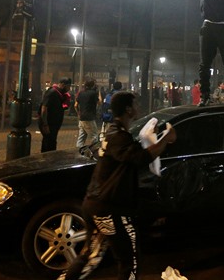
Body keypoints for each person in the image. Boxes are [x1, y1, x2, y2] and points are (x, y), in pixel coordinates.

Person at [57, 91, 176, 280]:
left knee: (91, 256)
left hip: (96, 204)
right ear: (128, 109)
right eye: (135, 104)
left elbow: (134, 153)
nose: (138, 107)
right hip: (110, 209)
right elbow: (141, 157)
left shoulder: (114, 132)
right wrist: (166, 139)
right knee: (130, 260)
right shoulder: (119, 136)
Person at [39, 77, 72, 153]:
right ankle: (46, 160)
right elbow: (44, 109)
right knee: (48, 144)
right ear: (63, 85)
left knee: (52, 142)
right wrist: (45, 124)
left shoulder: (60, 94)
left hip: (53, 123)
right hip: (49, 123)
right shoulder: (52, 92)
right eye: (68, 86)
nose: (69, 89)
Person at [75, 78, 100, 150]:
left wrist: (78, 114)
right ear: (93, 85)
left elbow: (75, 105)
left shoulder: (81, 93)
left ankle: (77, 151)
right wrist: (99, 92)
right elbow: (100, 102)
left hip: (81, 117)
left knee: (81, 136)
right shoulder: (93, 93)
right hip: (89, 117)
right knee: (94, 136)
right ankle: (95, 151)